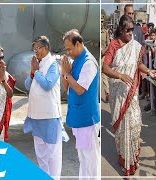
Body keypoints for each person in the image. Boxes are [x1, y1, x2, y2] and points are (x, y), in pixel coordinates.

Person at [102, 15, 156, 176]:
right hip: (118, 93)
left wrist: (148, 71)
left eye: (132, 30)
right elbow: (105, 68)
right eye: (127, 30)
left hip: (131, 94)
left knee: (134, 126)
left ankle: (133, 157)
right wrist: (120, 76)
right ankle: (126, 162)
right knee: (121, 130)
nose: (130, 33)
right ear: (120, 30)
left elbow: (137, 64)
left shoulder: (135, 46)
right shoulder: (114, 45)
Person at [61, 29, 100, 179]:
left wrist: (67, 73)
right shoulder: (77, 60)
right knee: (84, 160)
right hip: (79, 118)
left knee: (90, 161)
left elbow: (79, 89)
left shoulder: (88, 63)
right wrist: (65, 72)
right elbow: (67, 87)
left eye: (69, 48)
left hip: (86, 120)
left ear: (78, 44)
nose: (68, 52)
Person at [24, 36, 62, 179]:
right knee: (41, 154)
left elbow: (47, 84)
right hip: (36, 116)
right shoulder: (38, 64)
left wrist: (37, 71)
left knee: (52, 154)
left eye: (38, 48)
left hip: (50, 117)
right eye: (34, 49)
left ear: (46, 48)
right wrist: (33, 72)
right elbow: (28, 85)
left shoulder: (53, 64)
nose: (36, 51)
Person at [101, 15, 110, 102]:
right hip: (95, 56)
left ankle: (107, 93)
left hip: (103, 56)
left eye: (102, 21)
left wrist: (104, 51)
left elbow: (109, 44)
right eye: (100, 21)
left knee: (104, 75)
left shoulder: (105, 32)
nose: (101, 23)